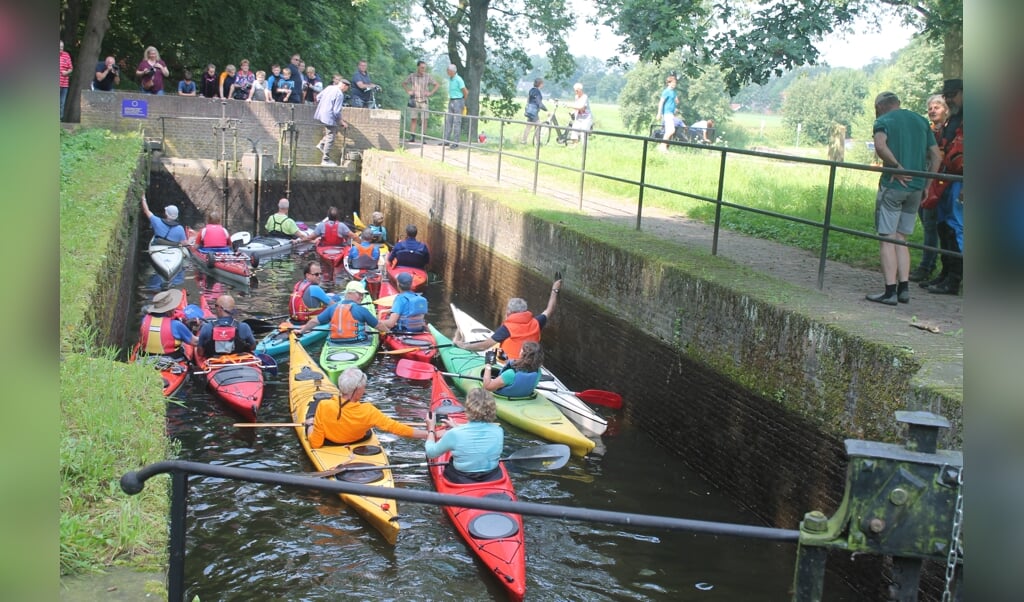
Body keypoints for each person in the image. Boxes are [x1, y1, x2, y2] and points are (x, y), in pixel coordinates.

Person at [864, 91, 941, 306]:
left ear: (879, 106)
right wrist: (927, 184)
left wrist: (896, 167)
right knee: (901, 239)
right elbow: (936, 156)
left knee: (887, 238)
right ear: (898, 103)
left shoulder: (883, 121)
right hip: (916, 188)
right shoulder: (920, 121)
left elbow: (880, 145)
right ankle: (904, 289)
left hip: (893, 186)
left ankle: (890, 292)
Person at [302, 367, 429, 448]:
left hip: (331, 442)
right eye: (363, 387)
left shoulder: (324, 405)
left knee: (314, 406)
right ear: (357, 391)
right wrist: (430, 434)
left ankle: (309, 419)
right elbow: (397, 428)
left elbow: (315, 443)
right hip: (357, 441)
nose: (365, 389)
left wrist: (310, 424)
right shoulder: (369, 411)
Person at [454, 276, 563, 360]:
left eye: (507, 310)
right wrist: (555, 290)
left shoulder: (507, 329)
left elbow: (484, 346)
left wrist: (463, 345)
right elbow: (550, 309)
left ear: (511, 312)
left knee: (494, 349)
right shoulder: (537, 322)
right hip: (530, 362)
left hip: (509, 363)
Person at [923, 78, 965, 296]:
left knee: (957, 228)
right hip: (948, 178)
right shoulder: (955, 119)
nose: (949, 99)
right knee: (944, 227)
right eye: (946, 95)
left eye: (951, 95)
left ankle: (954, 279)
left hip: (961, 179)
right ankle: (947, 273)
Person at [908, 94, 949, 283]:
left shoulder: (951, 131)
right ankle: (932, 264)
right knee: (927, 223)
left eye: (937, 107)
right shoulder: (928, 130)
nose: (932, 110)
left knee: (933, 226)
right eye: (930, 107)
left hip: (940, 184)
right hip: (923, 180)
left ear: (946, 110)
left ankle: (927, 267)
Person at [424, 388, 503, 483]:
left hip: (461, 478)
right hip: (492, 476)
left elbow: (431, 453)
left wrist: (431, 429)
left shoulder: (455, 434)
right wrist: (456, 427)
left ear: (468, 408)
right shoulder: (499, 430)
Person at [297, 279, 388, 342]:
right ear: (349, 293)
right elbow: (379, 325)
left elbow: (314, 321)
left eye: (362, 295)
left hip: (335, 342)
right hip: (358, 343)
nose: (361, 297)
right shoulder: (362, 310)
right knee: (367, 330)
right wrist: (389, 333)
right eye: (359, 294)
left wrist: (301, 331)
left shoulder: (332, 308)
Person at [138, 289, 197, 358]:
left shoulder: (144, 319)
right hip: (172, 360)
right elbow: (195, 342)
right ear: (169, 310)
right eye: (173, 308)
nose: (174, 309)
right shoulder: (176, 325)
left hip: (146, 358)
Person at [313, 78, 349, 166]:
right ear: (344, 86)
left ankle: (321, 144)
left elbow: (318, 97)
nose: (345, 91)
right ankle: (325, 160)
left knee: (333, 131)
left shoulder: (329, 87)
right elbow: (336, 111)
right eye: (346, 89)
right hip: (329, 116)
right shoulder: (340, 94)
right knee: (331, 137)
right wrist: (341, 122)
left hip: (321, 114)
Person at [402, 60, 440, 142]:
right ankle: (412, 136)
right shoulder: (412, 76)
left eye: (424, 68)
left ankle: (423, 137)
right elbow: (404, 83)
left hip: (424, 100)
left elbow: (437, 85)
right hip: (415, 100)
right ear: (418, 67)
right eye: (422, 68)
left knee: (424, 119)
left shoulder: (427, 76)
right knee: (414, 118)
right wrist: (408, 91)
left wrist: (430, 93)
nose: (423, 69)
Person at [443, 64, 468, 148]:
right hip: (451, 100)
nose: (447, 72)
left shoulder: (458, 79)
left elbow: (465, 91)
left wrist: (462, 100)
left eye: (448, 71)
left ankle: (456, 142)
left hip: (458, 100)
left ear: (452, 71)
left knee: (457, 122)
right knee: (448, 120)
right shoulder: (451, 79)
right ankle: (446, 140)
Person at [520, 78, 548, 145]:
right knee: (537, 126)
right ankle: (537, 142)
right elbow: (539, 103)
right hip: (534, 112)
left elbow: (528, 100)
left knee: (530, 126)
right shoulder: (537, 92)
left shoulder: (531, 90)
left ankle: (524, 141)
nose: (542, 85)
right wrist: (546, 110)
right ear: (540, 84)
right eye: (542, 84)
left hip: (530, 111)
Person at [656, 75, 678, 152]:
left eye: (675, 83)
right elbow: (661, 102)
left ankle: (664, 147)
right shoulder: (666, 91)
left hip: (671, 113)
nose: (674, 84)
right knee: (671, 130)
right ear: (669, 83)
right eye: (673, 82)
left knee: (669, 131)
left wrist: (675, 105)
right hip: (667, 113)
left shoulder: (673, 92)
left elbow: (675, 101)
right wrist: (659, 113)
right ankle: (662, 146)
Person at [59, 40, 73, 119]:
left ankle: (59, 120)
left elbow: (71, 68)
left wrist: (67, 72)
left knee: (62, 103)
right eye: (60, 47)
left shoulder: (66, 55)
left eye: (62, 47)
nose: (61, 48)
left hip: (64, 84)